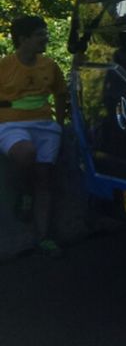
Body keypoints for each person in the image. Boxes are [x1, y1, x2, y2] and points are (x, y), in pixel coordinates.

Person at [0, 15, 68, 258]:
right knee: (25, 153)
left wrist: (59, 125)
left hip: (45, 125)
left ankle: (43, 237)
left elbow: (61, 95)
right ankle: (23, 193)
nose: (46, 38)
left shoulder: (49, 65)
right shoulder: (5, 65)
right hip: (10, 124)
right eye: (40, 34)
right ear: (23, 39)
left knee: (45, 178)